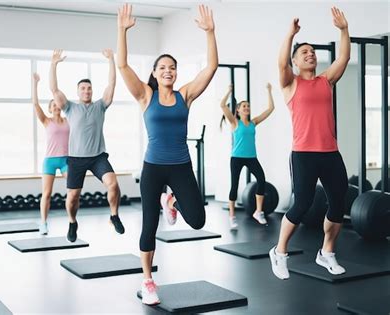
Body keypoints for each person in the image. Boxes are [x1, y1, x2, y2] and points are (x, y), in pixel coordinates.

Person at [117, 4, 218, 305]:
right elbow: (123, 66)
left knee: (198, 220)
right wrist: (122, 31)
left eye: (172, 67)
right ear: (154, 73)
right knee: (150, 226)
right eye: (162, 67)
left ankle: (170, 199)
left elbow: (211, 67)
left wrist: (210, 33)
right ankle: (148, 280)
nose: (168, 71)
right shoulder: (144, 96)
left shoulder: (184, 95)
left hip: (181, 166)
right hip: (154, 167)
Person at [269, 7, 350, 280]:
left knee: (339, 204)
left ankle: (326, 252)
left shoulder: (326, 80)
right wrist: (291, 35)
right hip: (303, 154)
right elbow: (281, 64)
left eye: (312, 52)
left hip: (330, 153)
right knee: (301, 204)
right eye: (304, 52)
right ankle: (280, 252)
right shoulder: (290, 83)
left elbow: (344, 57)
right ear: (295, 60)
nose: (310, 54)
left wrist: (343, 30)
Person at [50, 48, 125, 242]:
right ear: (78, 91)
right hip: (76, 159)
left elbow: (112, 84)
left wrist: (111, 60)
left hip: (98, 157)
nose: (86, 91)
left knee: (113, 184)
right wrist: (54, 64)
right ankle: (73, 222)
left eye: (89, 88)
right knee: (73, 196)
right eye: (83, 88)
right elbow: (54, 90)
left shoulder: (101, 105)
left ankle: (114, 216)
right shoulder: (70, 108)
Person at [220, 83, 275, 229]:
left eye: (248, 106)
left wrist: (269, 91)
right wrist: (228, 91)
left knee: (261, 180)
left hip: (251, 157)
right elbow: (222, 105)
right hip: (237, 157)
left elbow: (270, 109)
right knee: (234, 186)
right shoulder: (234, 122)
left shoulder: (253, 122)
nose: (247, 108)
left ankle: (258, 211)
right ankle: (232, 215)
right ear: (238, 110)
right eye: (244, 106)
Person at [32, 73, 70, 235]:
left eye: (57, 104)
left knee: (72, 191)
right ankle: (43, 223)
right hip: (50, 161)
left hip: (66, 160)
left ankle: (72, 221)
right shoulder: (46, 121)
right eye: (52, 105)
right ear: (49, 109)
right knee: (47, 194)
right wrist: (35, 84)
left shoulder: (69, 121)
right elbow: (35, 104)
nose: (55, 107)